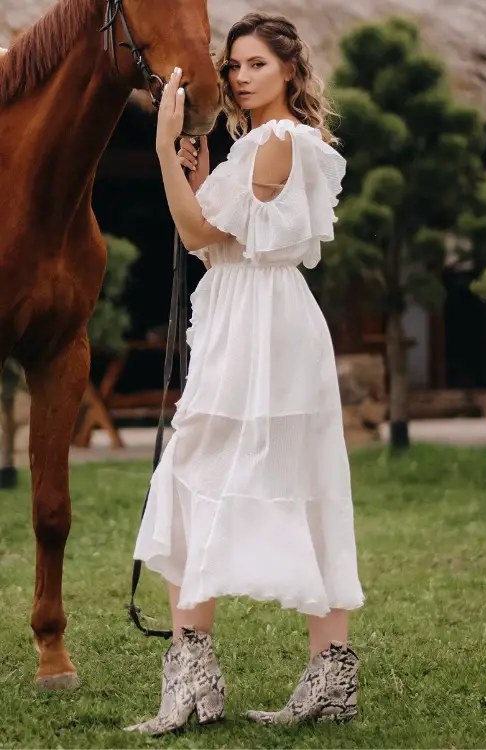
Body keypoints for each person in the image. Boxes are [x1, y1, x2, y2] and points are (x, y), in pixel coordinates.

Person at [125, 12, 364, 735]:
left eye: (255, 63)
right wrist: (196, 179)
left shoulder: (276, 143)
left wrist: (166, 151)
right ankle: (325, 673)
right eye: (232, 65)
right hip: (250, 317)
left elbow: (200, 233)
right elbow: (212, 246)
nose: (238, 76)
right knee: (285, 480)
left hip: (263, 329)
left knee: (199, 475)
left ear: (290, 70)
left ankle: (198, 674)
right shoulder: (256, 148)